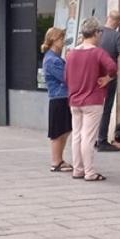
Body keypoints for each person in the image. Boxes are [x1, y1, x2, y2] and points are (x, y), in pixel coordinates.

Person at [63, 17, 116, 182]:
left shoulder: (71, 53)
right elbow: (112, 67)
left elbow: (65, 77)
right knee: (88, 137)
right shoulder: (97, 52)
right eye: (100, 33)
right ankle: (89, 172)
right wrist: (107, 78)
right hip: (92, 100)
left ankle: (77, 169)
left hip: (74, 100)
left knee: (77, 136)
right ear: (96, 33)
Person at [95, 10, 120, 152]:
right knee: (106, 109)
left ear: (107, 18)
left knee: (93, 108)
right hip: (108, 77)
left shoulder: (96, 33)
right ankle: (102, 140)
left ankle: (92, 139)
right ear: (118, 22)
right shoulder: (117, 36)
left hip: (93, 77)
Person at [41, 27, 73, 173]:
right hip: (58, 98)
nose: (63, 41)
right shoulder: (52, 60)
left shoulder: (55, 57)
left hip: (62, 97)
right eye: (61, 38)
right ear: (54, 40)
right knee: (58, 132)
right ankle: (55, 162)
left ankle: (59, 159)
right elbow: (66, 77)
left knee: (64, 130)